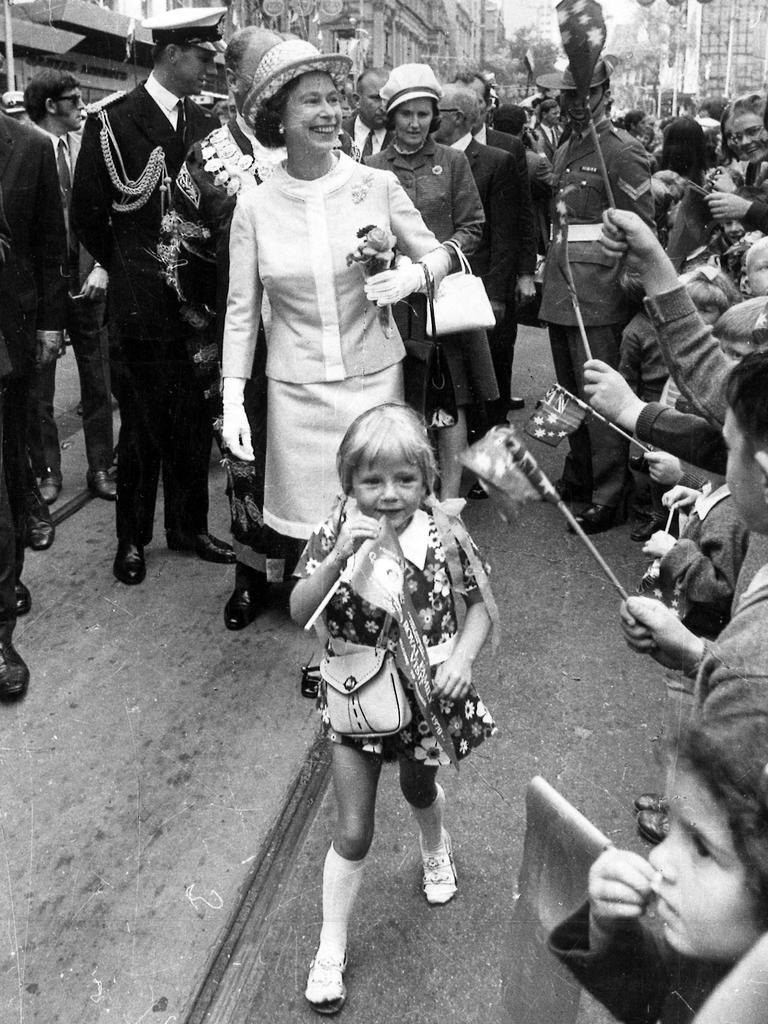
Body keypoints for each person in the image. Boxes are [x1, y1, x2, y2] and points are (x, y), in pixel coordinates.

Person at [290, 403, 496, 1015]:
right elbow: (301, 608)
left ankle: (435, 847)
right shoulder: (336, 531)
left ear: (427, 479)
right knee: (353, 831)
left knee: (417, 788)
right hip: (356, 700)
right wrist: (335, 561)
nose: (389, 495)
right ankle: (331, 947)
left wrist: (462, 657)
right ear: (348, 482)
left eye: (405, 480)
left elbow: (481, 602)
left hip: (426, 698)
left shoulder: (446, 533)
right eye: (372, 481)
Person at [221, 41, 452, 561]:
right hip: (295, 393)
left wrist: (411, 276)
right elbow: (241, 313)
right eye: (311, 102)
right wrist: (232, 399)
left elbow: (442, 256)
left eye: (334, 99)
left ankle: (387, 621)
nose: (330, 113)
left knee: (382, 520)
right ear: (278, 116)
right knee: (314, 531)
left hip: (374, 384)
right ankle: (334, 627)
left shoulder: (375, 183)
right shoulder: (254, 206)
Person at [72, 6, 235, 586]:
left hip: (197, 306)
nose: (209, 69)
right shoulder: (112, 121)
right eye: (202, 58)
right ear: (172, 54)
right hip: (141, 302)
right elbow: (88, 213)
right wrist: (131, 267)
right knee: (140, 426)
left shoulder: (206, 124)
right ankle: (132, 539)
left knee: (193, 418)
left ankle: (189, 527)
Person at [160, 25, 283, 630]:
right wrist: (208, 334)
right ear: (236, 82)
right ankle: (252, 574)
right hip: (240, 345)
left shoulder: (323, 149)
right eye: (264, 75)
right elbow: (177, 250)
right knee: (247, 460)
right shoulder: (205, 157)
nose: (275, 90)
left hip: (313, 339)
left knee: (313, 454)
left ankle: (321, 572)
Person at [549, 701, 768, 1024]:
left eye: (703, 849)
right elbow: (655, 1001)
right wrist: (608, 929)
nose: (657, 857)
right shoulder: (706, 949)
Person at [366, 64, 495, 499]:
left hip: (442, 303)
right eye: (406, 114)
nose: (415, 123)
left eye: (424, 114)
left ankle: (450, 504)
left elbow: (474, 227)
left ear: (435, 116)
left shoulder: (452, 162)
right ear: (391, 116)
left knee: (451, 403)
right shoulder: (370, 167)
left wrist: (436, 262)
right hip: (393, 305)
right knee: (400, 403)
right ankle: (409, 500)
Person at [539, 57, 654, 534]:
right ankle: (581, 472)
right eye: (567, 95)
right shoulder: (568, 145)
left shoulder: (623, 151)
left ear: (605, 93)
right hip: (564, 286)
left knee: (602, 391)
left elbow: (643, 227)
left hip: (601, 290)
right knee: (568, 388)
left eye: (582, 94)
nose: (572, 103)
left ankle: (610, 493)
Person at [23, 70, 116, 504]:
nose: (83, 105)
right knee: (40, 387)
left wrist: (102, 265)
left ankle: (101, 466)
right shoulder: (20, 147)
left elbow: (110, 212)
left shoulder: (90, 147)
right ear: (50, 106)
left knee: (97, 380)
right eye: (73, 99)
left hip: (88, 282)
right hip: (43, 292)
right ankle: (47, 472)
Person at [0, 106, 68, 695]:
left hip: (9, 332)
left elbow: (50, 245)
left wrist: (51, 322)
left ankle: (0, 623)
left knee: (8, 461)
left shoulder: (30, 145)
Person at [432, 83, 537, 428]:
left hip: (482, 291)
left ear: (458, 118)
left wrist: (495, 295)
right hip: (440, 288)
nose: (431, 120)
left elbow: (506, 233)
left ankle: (489, 473)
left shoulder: (496, 161)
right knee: (451, 387)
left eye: (438, 112)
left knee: (489, 387)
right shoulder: (430, 158)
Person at [341, 67, 393, 161]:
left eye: (387, 99)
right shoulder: (339, 133)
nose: (383, 106)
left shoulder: (401, 138)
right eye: (376, 98)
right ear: (357, 100)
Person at [536, 98, 561, 162]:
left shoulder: (561, 131)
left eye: (559, 113)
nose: (558, 116)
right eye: (554, 113)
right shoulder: (536, 134)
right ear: (544, 115)